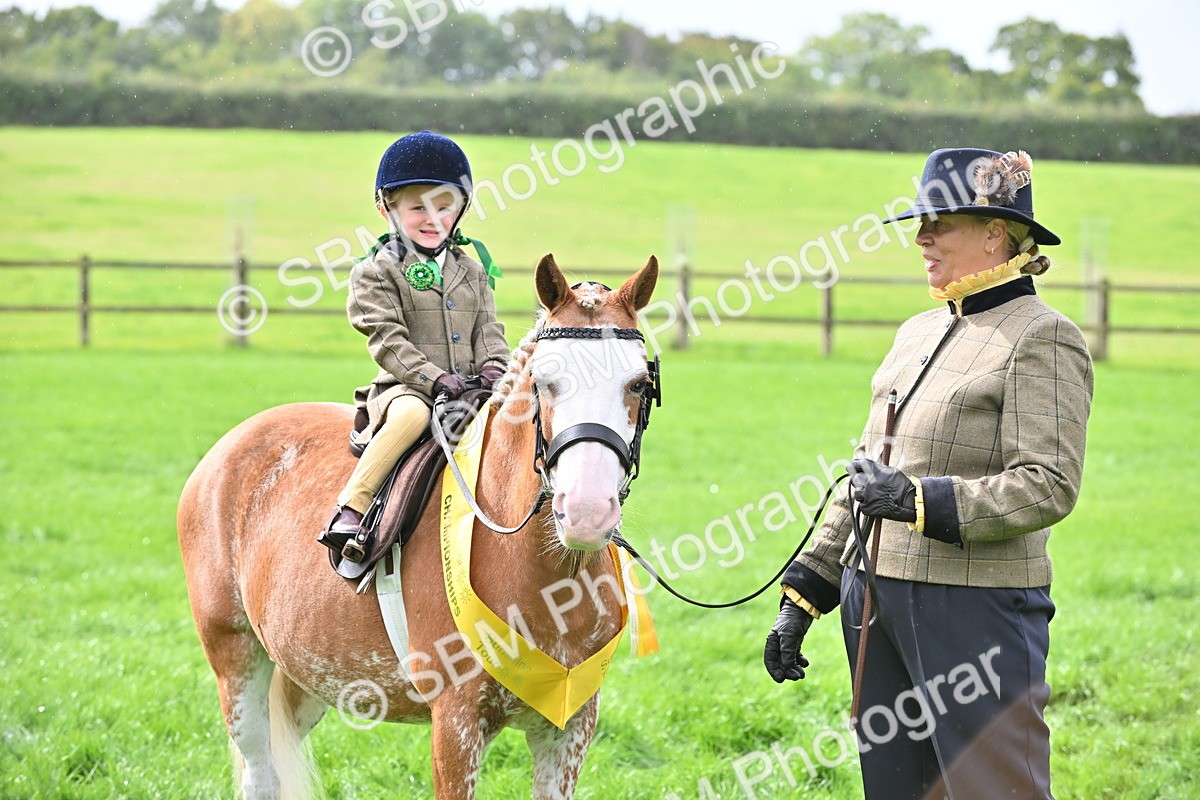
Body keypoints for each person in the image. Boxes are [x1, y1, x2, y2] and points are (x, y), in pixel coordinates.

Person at [763, 148, 1094, 799]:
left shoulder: (1043, 336)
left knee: (995, 789)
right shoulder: (915, 332)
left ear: (996, 231)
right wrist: (804, 592)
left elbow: (1048, 483)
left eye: (939, 222)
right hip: (873, 601)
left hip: (972, 607)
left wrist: (918, 501)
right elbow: (864, 476)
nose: (922, 238)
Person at [321, 130, 509, 558]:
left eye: (444, 207)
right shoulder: (375, 271)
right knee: (412, 416)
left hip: (473, 385)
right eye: (417, 208)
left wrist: (497, 368)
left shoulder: (474, 272)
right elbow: (388, 341)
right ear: (388, 207)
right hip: (406, 389)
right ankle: (353, 506)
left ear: (460, 209)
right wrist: (435, 378)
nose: (432, 219)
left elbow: (488, 330)